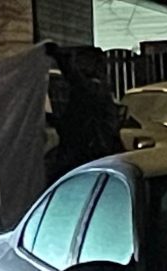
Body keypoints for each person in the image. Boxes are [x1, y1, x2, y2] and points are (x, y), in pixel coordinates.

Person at [44, 42, 123, 184]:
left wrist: (61, 58)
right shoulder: (97, 91)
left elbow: (76, 81)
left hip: (87, 154)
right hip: (88, 152)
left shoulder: (94, 89)